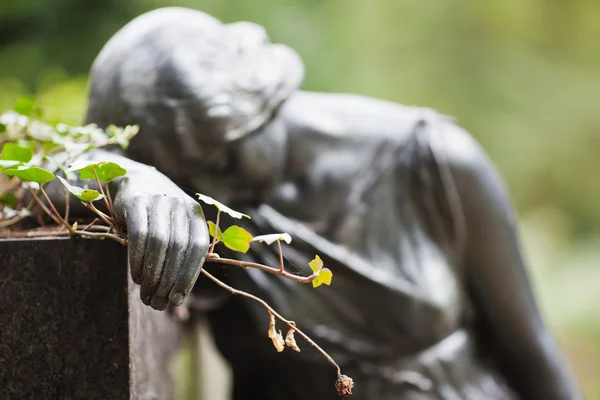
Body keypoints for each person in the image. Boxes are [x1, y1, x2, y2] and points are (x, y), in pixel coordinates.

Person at [81, 7, 581, 399]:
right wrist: (128, 176)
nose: (216, 189)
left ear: (260, 100)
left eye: (223, 158)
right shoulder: (199, 207)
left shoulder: (433, 162)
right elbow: (40, 171)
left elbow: (530, 350)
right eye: (185, 177)